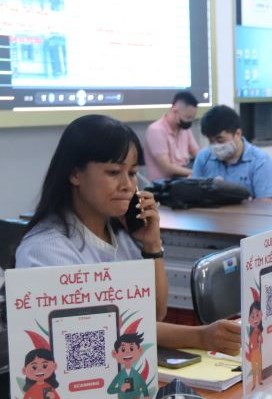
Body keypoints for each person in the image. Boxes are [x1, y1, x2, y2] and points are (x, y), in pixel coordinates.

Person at [14, 114, 241, 355]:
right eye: (113, 172)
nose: (128, 186)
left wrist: (152, 245)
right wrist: (200, 337)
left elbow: (153, 313)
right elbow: (101, 333)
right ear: (75, 174)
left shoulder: (120, 234)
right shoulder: (46, 249)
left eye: (132, 173)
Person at [192, 105, 272, 201]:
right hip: (210, 215)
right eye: (211, 141)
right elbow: (194, 197)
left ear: (237, 134)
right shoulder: (203, 158)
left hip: (247, 215)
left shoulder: (260, 161)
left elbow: (265, 206)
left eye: (220, 140)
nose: (215, 146)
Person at [144, 91, 200, 181]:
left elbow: (198, 154)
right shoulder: (156, 130)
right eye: (188, 117)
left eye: (192, 118)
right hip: (164, 185)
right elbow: (167, 168)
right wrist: (195, 173)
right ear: (175, 110)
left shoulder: (184, 129)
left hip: (182, 178)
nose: (190, 122)